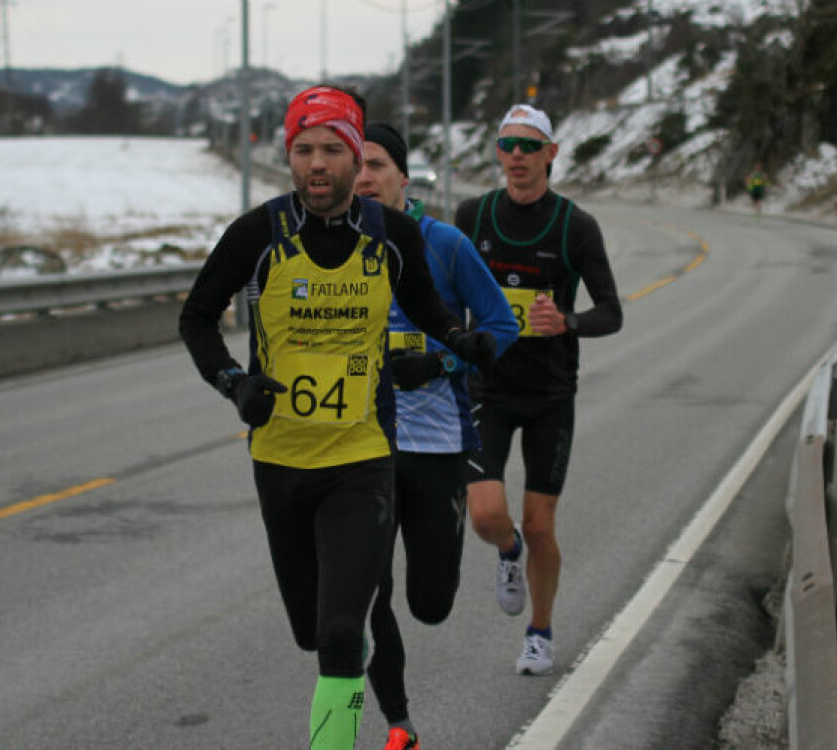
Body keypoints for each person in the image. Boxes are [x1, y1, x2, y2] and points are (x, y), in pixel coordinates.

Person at [178, 85, 496, 750]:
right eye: (302, 150)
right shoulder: (257, 234)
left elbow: (430, 310)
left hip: (362, 456)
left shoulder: (392, 235)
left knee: (342, 633)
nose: (316, 164)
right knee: (310, 630)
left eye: (332, 149)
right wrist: (234, 383)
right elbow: (196, 318)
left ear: (357, 159)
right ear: (288, 156)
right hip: (281, 461)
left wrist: (457, 344)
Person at [354, 121, 518, 750]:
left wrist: (443, 361)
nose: (363, 177)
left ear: (401, 174)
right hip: (361, 449)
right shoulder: (333, 249)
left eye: (375, 165)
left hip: (438, 443)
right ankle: (400, 724)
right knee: (369, 592)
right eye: (354, 165)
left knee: (430, 602)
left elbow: (501, 324)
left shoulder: (443, 243)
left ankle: (499, 552)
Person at [454, 104, 623, 676]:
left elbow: (612, 311)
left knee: (542, 523)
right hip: (488, 388)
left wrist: (567, 322)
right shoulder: (472, 217)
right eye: (507, 145)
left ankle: (540, 631)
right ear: (497, 154)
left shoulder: (575, 225)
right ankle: (508, 554)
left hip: (550, 392)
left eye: (529, 145)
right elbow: (445, 296)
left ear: (552, 153)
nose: (517, 156)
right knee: (484, 515)